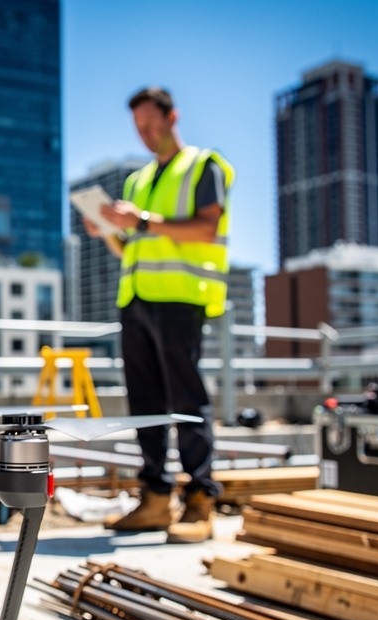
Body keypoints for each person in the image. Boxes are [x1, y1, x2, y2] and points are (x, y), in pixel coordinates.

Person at [82, 86, 234, 544]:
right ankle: (154, 498)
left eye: (152, 125)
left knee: (187, 401)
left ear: (173, 118)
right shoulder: (138, 180)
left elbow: (207, 228)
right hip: (137, 298)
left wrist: (143, 220)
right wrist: (107, 228)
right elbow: (131, 245)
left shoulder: (203, 166)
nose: (146, 135)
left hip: (180, 298)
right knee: (144, 405)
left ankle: (200, 498)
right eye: (139, 129)